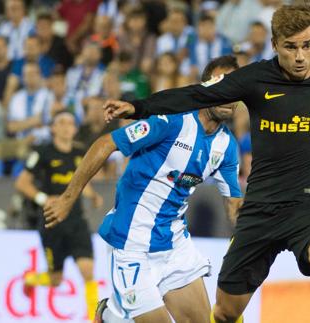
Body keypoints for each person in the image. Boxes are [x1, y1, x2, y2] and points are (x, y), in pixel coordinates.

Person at [101, 4, 310, 323]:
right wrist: (138, 107)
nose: (299, 56)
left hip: (306, 203)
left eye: (307, 46)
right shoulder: (255, 79)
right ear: (275, 45)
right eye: (290, 47)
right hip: (259, 209)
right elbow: (196, 95)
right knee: (225, 312)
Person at [44, 56, 244, 323]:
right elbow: (105, 144)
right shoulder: (171, 121)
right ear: (205, 87)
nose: (229, 96)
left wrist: (251, 243)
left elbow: (235, 207)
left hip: (174, 245)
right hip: (131, 243)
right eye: (222, 85)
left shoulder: (227, 147)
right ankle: (111, 315)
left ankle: (113, 314)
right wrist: (68, 198)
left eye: (236, 88)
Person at [14, 111, 104, 321]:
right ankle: (31, 280)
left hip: (76, 221)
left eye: (71, 123)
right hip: (51, 221)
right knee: (56, 279)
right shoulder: (43, 153)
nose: (66, 127)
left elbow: (80, 182)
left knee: (87, 271)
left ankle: (94, 319)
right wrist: (43, 198)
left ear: (75, 129)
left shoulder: (80, 154)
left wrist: (92, 195)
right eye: (61, 122)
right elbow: (22, 182)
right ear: (53, 128)